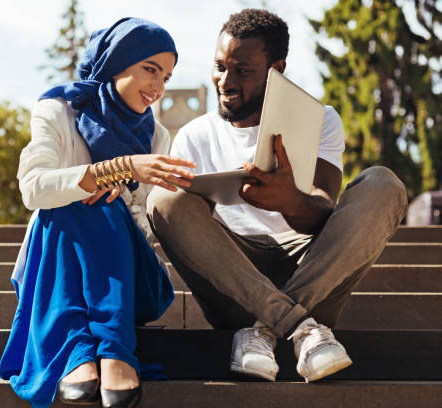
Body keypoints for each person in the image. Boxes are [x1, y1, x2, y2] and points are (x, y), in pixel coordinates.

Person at [147, 9, 407, 383]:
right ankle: (300, 326)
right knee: (164, 200)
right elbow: (186, 228)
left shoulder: (319, 119)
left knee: (383, 183)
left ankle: (265, 330)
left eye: (242, 71)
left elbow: (323, 212)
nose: (225, 81)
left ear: (276, 69)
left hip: (313, 272)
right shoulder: (193, 135)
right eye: (219, 66)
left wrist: (289, 201)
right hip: (234, 279)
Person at [0, 17, 196, 408]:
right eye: (150, 70)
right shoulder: (57, 110)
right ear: (117, 61)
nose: (157, 87)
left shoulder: (156, 136)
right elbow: (33, 188)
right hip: (56, 266)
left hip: (126, 275)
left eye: (167, 77)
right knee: (70, 202)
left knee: (100, 204)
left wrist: (116, 192)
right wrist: (112, 171)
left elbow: (147, 228)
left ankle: (103, 350)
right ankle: (93, 352)